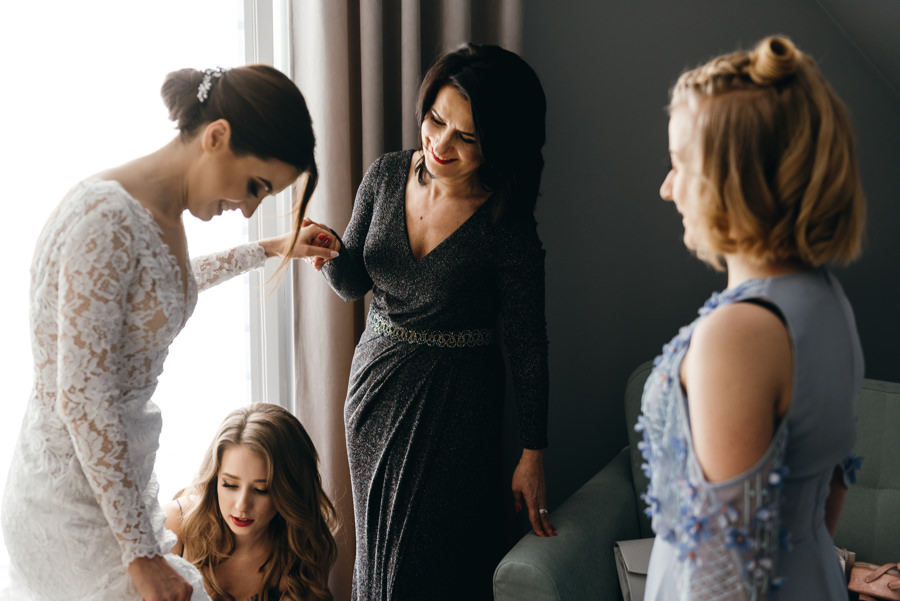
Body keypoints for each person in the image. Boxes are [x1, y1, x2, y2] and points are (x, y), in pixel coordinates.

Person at [1, 65, 338, 601]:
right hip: (72, 507)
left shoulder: (159, 212)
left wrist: (270, 249)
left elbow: (156, 290)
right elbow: (83, 398)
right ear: (217, 137)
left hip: (117, 492)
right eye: (255, 186)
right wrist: (141, 555)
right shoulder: (104, 219)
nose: (249, 206)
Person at [305, 43, 554, 600]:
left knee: (426, 564)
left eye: (466, 137)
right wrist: (326, 251)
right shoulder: (388, 173)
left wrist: (533, 453)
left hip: (456, 406)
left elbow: (527, 343)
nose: (441, 144)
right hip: (375, 388)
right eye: (436, 120)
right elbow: (353, 283)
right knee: (376, 547)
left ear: (500, 143)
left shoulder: (507, 225)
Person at [637, 35, 866, 600]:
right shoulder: (827, 301)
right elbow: (827, 498)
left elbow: (723, 587)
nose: (667, 189)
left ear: (732, 180)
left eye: (679, 165)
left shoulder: (737, 336)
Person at [164, 403, 338, 601]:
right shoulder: (175, 525)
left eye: (261, 489)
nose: (242, 505)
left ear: (290, 492)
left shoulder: (301, 552)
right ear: (215, 480)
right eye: (230, 485)